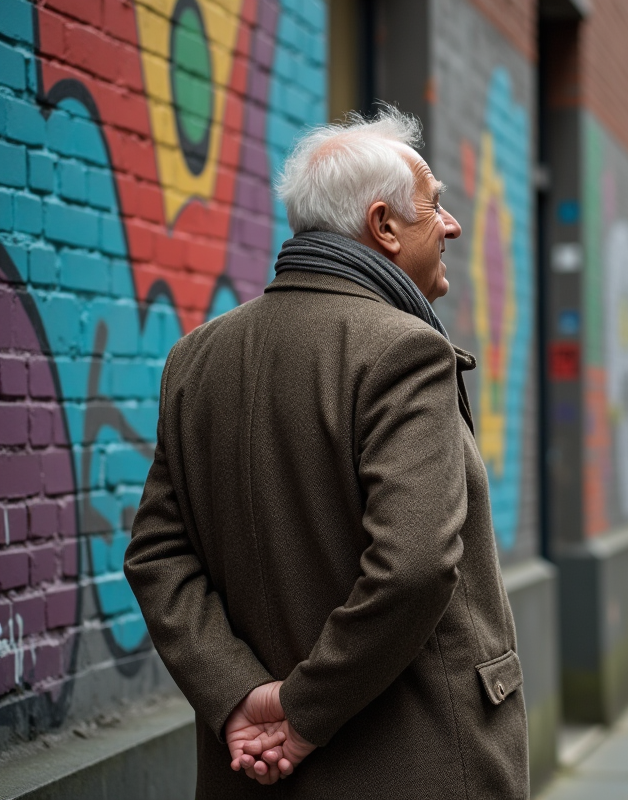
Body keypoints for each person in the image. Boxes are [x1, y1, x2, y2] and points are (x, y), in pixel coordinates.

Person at [124, 107, 530, 797]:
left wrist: (241, 695)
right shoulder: (404, 351)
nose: (453, 225)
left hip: (249, 769)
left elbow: (157, 555)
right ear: (383, 227)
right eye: (435, 206)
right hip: (412, 765)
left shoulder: (196, 358)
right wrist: (302, 714)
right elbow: (413, 568)